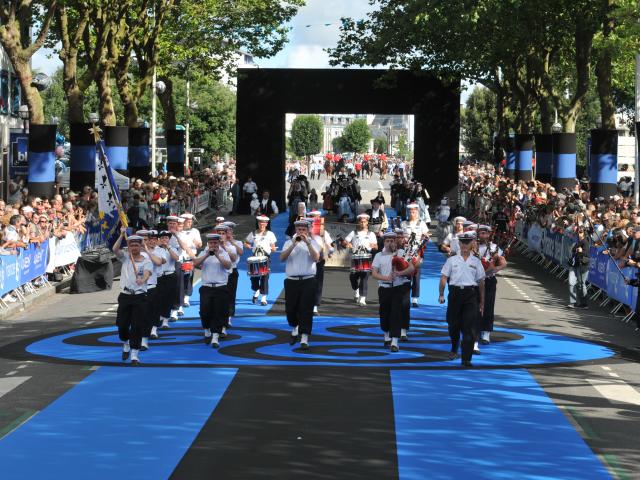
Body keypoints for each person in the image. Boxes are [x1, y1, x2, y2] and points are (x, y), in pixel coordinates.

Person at [438, 231, 485, 367]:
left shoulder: (476, 261)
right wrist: (441, 294)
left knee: (469, 327)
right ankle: (454, 348)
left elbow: (481, 282)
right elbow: (443, 277)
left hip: (471, 295)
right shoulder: (451, 260)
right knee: (453, 325)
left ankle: (466, 358)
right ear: (459, 244)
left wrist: (482, 302)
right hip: (455, 294)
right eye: (462, 243)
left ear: (471, 244)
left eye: (467, 243)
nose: (464, 245)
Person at [112, 232, 153, 365]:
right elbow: (115, 249)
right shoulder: (125, 258)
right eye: (131, 245)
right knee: (122, 325)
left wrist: (143, 279)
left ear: (141, 247)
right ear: (128, 247)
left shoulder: (146, 261)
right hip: (125, 296)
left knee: (137, 325)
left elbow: (147, 272)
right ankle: (126, 343)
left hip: (140, 296)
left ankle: (134, 354)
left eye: (136, 245)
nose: (134, 248)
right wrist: (121, 235)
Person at [279, 220, 320, 349]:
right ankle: (295, 326)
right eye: (299, 229)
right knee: (291, 309)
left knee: (306, 309)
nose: (301, 232)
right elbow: (282, 258)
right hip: (291, 280)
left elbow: (316, 258)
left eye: (303, 229)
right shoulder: (288, 243)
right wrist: (293, 244)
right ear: (295, 230)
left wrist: (308, 243)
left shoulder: (313, 242)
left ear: (307, 230)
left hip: (308, 280)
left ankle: (304, 337)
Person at [371, 232, 415, 352]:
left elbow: (411, 268)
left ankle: (394, 341)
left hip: (398, 288)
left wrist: (400, 273)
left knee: (396, 313)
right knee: (384, 313)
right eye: (387, 241)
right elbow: (374, 273)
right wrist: (386, 278)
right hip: (384, 288)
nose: (390, 243)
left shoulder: (402, 253)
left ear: (396, 242)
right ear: (384, 242)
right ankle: (386, 335)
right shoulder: (378, 255)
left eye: (392, 241)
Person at [193, 233, 232, 348]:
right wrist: (206, 255)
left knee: (218, 312)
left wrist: (217, 255)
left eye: (215, 243)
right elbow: (195, 263)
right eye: (211, 243)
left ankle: (215, 337)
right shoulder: (204, 252)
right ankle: (207, 329)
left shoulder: (224, 253)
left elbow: (228, 266)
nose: (213, 245)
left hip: (220, 287)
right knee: (205, 311)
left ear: (219, 243)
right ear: (208, 243)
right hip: (206, 287)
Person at [476, 225, 507, 348]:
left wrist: (493, 270)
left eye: (485, 233)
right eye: (481, 233)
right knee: (475, 305)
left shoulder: (495, 248)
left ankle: (486, 332)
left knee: (488, 306)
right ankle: (474, 329)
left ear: (489, 234)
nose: (483, 235)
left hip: (489, 280)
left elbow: (502, 263)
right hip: (475, 281)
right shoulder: (474, 246)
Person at [343, 213, 378, 306]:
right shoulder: (353, 233)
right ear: (358, 222)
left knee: (364, 278)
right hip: (355, 258)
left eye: (364, 222)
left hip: (366, 258)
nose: (362, 223)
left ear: (367, 223)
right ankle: (356, 289)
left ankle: (362, 298)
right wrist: (347, 244)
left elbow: (376, 247)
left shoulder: (371, 234)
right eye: (361, 222)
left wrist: (373, 246)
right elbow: (344, 242)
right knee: (353, 277)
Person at [244, 215, 277, 305]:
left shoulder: (270, 234)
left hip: (265, 258)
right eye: (260, 223)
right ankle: (256, 290)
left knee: (265, 277)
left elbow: (273, 246)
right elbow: (246, 242)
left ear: (266, 224)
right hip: (255, 258)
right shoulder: (253, 234)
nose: (262, 224)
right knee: (254, 278)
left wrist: (273, 249)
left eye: (264, 223)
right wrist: (246, 245)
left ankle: (263, 298)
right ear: (258, 223)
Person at [401, 202, 430, 307]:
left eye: (414, 212)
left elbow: (427, 237)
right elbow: (400, 238)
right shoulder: (403, 224)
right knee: (406, 274)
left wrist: (424, 241)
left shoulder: (422, 224)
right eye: (410, 212)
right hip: (406, 252)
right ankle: (405, 296)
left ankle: (414, 299)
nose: (412, 213)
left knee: (416, 275)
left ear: (417, 212)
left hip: (417, 252)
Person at [308, 211, 334, 315]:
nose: (315, 219)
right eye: (312, 217)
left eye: (316, 217)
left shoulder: (324, 232)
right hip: (307, 260)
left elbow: (329, 244)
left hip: (319, 260)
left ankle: (315, 306)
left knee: (318, 284)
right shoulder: (304, 230)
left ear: (319, 218)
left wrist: (331, 251)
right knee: (307, 283)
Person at [222, 221, 243, 325]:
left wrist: (232, 241)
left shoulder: (237, 242)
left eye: (230, 230)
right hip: (221, 271)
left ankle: (229, 316)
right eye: (226, 230)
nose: (228, 232)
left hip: (232, 270)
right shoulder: (219, 242)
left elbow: (240, 253)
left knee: (231, 294)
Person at [180, 213, 203, 307]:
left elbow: (199, 244)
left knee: (188, 278)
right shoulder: (178, 231)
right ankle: (179, 298)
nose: (189, 223)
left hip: (190, 258)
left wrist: (198, 243)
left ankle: (186, 298)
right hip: (179, 258)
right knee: (179, 280)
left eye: (190, 221)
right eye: (187, 221)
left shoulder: (195, 231)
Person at [567, 227, 590, 309]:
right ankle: (573, 302)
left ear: (584, 233)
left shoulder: (585, 242)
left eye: (580, 232)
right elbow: (573, 251)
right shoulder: (577, 241)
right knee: (571, 282)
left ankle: (584, 303)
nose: (579, 233)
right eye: (578, 232)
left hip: (582, 266)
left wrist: (581, 251)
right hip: (575, 264)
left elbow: (587, 253)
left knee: (581, 284)